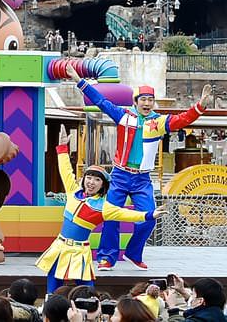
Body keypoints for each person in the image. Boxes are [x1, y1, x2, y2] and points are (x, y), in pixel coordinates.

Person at [68, 66, 208, 269]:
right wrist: (79, 80)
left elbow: (182, 119)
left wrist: (200, 106)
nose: (147, 103)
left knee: (150, 218)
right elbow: (100, 101)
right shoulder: (123, 115)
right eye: (143, 99)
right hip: (120, 175)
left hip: (142, 179)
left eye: (150, 100)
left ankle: (133, 253)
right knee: (110, 217)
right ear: (135, 101)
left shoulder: (159, 121)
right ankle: (107, 257)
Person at [37, 125, 154, 291]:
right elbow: (65, 170)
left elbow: (126, 214)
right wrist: (62, 147)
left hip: (79, 251)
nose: (91, 182)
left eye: (97, 180)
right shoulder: (73, 191)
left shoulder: (103, 207)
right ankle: (50, 304)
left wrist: (150, 214)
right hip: (60, 246)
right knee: (53, 283)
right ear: (84, 179)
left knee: (86, 289)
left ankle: (92, 305)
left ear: (103, 185)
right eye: (89, 178)